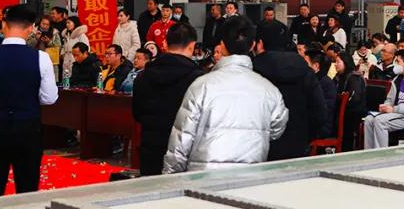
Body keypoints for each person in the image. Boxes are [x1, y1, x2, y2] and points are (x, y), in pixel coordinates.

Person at [163, 17, 288, 173]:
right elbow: (277, 128)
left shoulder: (201, 86)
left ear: (221, 45)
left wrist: (171, 176)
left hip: (203, 177)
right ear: (252, 45)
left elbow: (182, 140)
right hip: (250, 175)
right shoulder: (269, 90)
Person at [0, 5, 58, 197]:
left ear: (3, 25)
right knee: (27, 190)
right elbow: (49, 98)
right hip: (28, 128)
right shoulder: (41, 58)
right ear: (31, 28)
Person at [131, 22, 204, 176]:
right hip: (184, 151)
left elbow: (137, 113)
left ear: (165, 44)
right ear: (192, 46)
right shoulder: (198, 79)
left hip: (150, 147)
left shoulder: (143, 75)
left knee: (150, 187)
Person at [253, 35, 331, 160]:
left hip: (260, 148)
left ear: (260, 44)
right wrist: (305, 136)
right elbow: (320, 113)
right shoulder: (305, 70)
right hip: (298, 145)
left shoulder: (253, 72)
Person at [362, 49, 404, 149]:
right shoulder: (397, 79)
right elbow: (390, 99)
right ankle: (368, 153)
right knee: (369, 119)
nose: (395, 65)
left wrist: (394, 109)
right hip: (397, 113)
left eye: (398, 61)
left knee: (380, 121)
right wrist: (386, 106)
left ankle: (380, 154)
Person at [332, 50, 367, 151]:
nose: (335, 65)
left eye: (338, 62)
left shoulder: (354, 77)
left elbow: (354, 98)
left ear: (346, 62)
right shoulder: (338, 76)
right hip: (341, 109)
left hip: (353, 111)